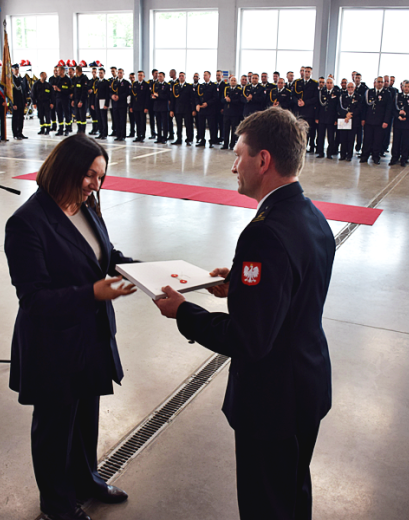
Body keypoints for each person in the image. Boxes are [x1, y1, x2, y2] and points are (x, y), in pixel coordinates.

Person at [156, 107, 334, 520]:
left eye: (238, 155)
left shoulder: (264, 232)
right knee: (292, 493)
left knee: (265, 506)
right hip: (305, 386)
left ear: (264, 160)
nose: (233, 166)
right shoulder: (311, 215)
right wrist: (239, 283)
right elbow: (294, 291)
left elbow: (249, 340)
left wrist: (184, 311)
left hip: (272, 402)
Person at [5, 134, 136, 520]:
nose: (95, 184)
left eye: (100, 177)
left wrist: (147, 272)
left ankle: (85, 479)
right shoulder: (27, 222)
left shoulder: (85, 207)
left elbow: (106, 256)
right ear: (65, 168)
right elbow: (34, 299)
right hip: (53, 344)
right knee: (55, 429)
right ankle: (57, 504)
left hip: (90, 338)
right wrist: (91, 293)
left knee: (85, 419)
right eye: (89, 175)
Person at [360, 76, 392, 165]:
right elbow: (364, 107)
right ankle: (364, 156)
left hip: (380, 121)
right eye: (378, 82)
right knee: (367, 139)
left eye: (382, 82)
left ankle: (375, 156)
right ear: (375, 82)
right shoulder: (369, 92)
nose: (380, 83)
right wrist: (363, 119)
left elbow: (388, 109)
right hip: (369, 120)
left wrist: (386, 121)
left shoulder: (386, 93)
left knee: (378, 140)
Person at [389, 81, 409, 167]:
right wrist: (398, 115)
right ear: (402, 87)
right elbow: (393, 109)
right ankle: (394, 157)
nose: (406, 88)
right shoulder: (398, 96)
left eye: (408, 87)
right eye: (405, 86)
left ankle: (404, 159)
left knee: (406, 142)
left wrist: (406, 114)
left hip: (408, 123)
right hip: (398, 122)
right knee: (396, 141)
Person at [293, 67, 318, 153]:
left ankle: (309, 146)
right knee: (298, 130)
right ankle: (299, 146)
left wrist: (305, 102)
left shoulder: (314, 84)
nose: (306, 73)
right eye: (305, 71)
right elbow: (293, 95)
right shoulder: (297, 82)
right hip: (298, 110)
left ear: (311, 73)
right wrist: (297, 101)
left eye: (308, 72)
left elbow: (315, 98)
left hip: (308, 110)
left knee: (309, 130)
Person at [336, 81, 361, 161]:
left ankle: (349, 155)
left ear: (354, 88)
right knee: (343, 138)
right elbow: (339, 107)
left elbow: (359, 108)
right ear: (346, 88)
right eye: (349, 87)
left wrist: (351, 115)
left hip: (353, 121)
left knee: (351, 139)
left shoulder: (358, 97)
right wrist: (346, 115)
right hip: (344, 120)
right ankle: (342, 154)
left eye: (352, 87)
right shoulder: (342, 96)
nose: (350, 89)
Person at [315, 77, 337, 158]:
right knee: (321, 136)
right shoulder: (322, 92)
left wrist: (336, 119)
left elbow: (336, 107)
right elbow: (318, 105)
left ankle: (329, 153)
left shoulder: (336, 93)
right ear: (325, 84)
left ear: (333, 84)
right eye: (327, 82)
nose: (329, 84)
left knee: (331, 137)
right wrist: (316, 117)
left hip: (331, 118)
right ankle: (320, 152)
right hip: (322, 117)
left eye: (330, 83)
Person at [196, 71, 219, 148]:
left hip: (210, 109)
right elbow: (197, 96)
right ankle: (202, 140)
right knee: (201, 125)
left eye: (205, 75)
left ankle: (212, 141)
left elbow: (215, 98)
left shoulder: (213, 86)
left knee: (211, 125)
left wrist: (208, 103)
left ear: (209, 76)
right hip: (202, 109)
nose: (204, 76)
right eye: (203, 75)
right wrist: (198, 104)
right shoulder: (201, 86)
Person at [171, 71, 194, 145]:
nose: (181, 77)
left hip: (187, 109)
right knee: (178, 125)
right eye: (180, 76)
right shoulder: (175, 87)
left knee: (188, 125)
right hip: (178, 109)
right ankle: (179, 139)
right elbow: (173, 99)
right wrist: (172, 110)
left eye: (182, 76)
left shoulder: (189, 86)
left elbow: (192, 99)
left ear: (185, 77)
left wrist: (193, 109)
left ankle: (189, 139)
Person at [221, 76, 244, 150]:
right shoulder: (226, 89)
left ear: (236, 82)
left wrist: (230, 100)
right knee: (226, 128)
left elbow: (240, 101)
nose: (233, 82)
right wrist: (225, 100)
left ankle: (232, 144)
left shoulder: (239, 90)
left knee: (234, 129)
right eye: (232, 80)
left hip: (235, 113)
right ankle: (225, 144)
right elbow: (222, 100)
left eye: (234, 80)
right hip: (227, 112)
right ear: (229, 81)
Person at [110, 68, 130, 141]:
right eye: (118, 73)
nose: (119, 74)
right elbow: (110, 91)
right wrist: (112, 96)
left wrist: (119, 97)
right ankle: (118, 135)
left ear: (123, 74)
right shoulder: (114, 82)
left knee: (122, 120)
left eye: (121, 73)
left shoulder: (126, 83)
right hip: (115, 104)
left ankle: (122, 135)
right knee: (116, 120)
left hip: (122, 104)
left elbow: (127, 93)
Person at [152, 71, 171, 144]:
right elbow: (153, 93)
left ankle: (165, 137)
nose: (159, 78)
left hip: (164, 107)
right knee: (158, 122)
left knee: (165, 123)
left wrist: (159, 95)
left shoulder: (167, 85)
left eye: (160, 76)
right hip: (156, 106)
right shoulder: (155, 85)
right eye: (158, 76)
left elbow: (168, 96)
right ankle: (159, 136)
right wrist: (153, 96)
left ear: (164, 77)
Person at [54, 66, 72, 137]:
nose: (57, 72)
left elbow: (69, 90)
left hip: (65, 99)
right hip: (58, 99)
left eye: (58, 70)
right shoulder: (57, 79)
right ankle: (60, 129)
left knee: (67, 114)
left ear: (62, 71)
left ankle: (67, 129)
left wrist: (60, 90)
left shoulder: (68, 80)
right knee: (59, 114)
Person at [130, 70, 148, 142]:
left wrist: (146, 107)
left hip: (143, 106)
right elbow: (132, 96)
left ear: (143, 76)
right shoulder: (135, 84)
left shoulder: (146, 85)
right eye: (139, 75)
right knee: (137, 121)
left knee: (142, 121)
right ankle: (138, 135)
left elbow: (147, 97)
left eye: (141, 75)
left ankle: (142, 136)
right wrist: (131, 106)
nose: (140, 76)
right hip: (135, 106)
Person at [11, 64, 28, 139]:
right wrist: (13, 103)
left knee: (21, 118)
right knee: (15, 118)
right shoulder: (11, 80)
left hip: (21, 102)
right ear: (12, 70)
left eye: (17, 69)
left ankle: (20, 132)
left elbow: (23, 91)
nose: (17, 71)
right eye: (15, 69)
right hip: (15, 102)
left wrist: (25, 101)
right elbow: (11, 93)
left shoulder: (21, 79)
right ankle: (15, 134)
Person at [94, 67, 110, 140]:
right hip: (97, 101)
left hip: (103, 101)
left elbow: (107, 94)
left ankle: (104, 133)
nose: (100, 74)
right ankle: (100, 132)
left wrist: (106, 104)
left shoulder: (106, 82)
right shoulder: (97, 82)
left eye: (101, 73)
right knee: (99, 118)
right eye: (99, 73)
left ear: (104, 74)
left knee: (103, 118)